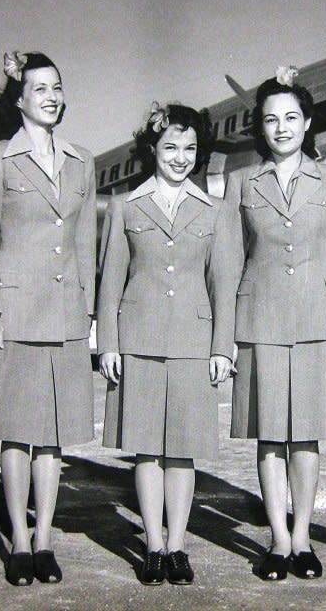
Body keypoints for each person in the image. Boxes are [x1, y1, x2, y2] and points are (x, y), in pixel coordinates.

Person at [224, 67, 326, 581]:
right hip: (257, 320)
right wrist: (224, 338)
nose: (281, 127)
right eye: (270, 120)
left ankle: (303, 537)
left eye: (290, 118)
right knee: (268, 436)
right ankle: (278, 542)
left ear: (306, 124)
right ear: (260, 129)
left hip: (317, 322)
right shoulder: (240, 183)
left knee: (305, 438)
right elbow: (228, 260)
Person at [0, 51, 96, 586]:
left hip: (66, 314)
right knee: (16, 434)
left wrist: (87, 311)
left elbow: (86, 242)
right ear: (18, 99)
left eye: (57, 86)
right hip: (16, 311)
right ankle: (18, 542)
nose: (50, 95)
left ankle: (45, 539)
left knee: (54, 437)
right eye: (38, 87)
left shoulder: (81, 160)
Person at [97, 103, 238, 586]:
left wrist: (223, 347)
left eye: (190, 149)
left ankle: (178, 545)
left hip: (194, 342)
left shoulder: (216, 211)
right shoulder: (125, 206)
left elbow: (224, 283)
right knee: (145, 451)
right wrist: (107, 344)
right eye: (171, 147)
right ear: (152, 149)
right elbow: (110, 280)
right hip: (137, 339)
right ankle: (153, 546)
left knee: (182, 451)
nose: (180, 157)